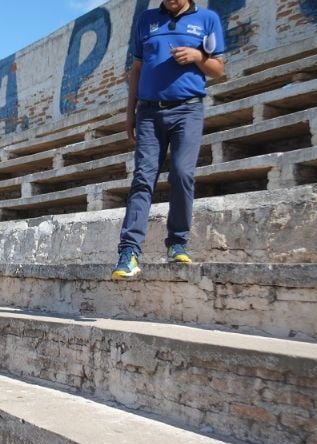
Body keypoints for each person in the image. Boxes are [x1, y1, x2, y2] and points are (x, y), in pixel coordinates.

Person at [112, 0, 225, 279]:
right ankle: (129, 252)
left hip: (188, 109)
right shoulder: (146, 20)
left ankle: (177, 242)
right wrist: (130, 113)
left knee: (182, 174)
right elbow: (136, 70)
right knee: (142, 178)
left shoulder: (208, 19)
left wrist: (198, 57)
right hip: (149, 112)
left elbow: (219, 70)